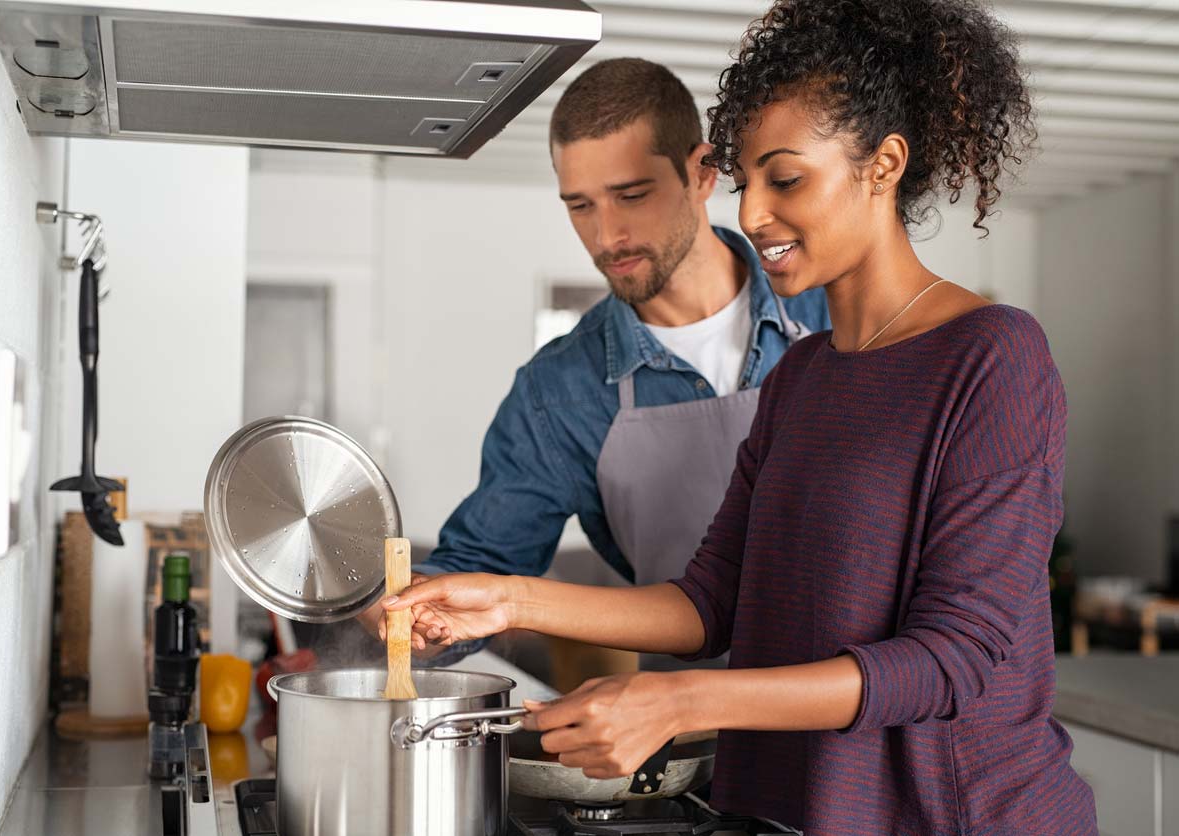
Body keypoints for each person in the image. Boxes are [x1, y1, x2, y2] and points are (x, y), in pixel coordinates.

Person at [383, 1, 1099, 833]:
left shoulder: (993, 356)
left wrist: (680, 700)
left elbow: (953, 659)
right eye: (749, 178)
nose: (753, 213)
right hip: (795, 810)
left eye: (785, 178)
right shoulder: (801, 376)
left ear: (885, 164)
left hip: (953, 816)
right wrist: (509, 601)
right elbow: (709, 602)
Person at [365, 58, 829, 672]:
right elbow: (482, 565)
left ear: (702, 173)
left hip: (856, 725)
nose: (607, 236)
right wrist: (416, 609)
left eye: (631, 196)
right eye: (579, 206)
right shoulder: (557, 393)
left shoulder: (833, 314)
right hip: (679, 740)